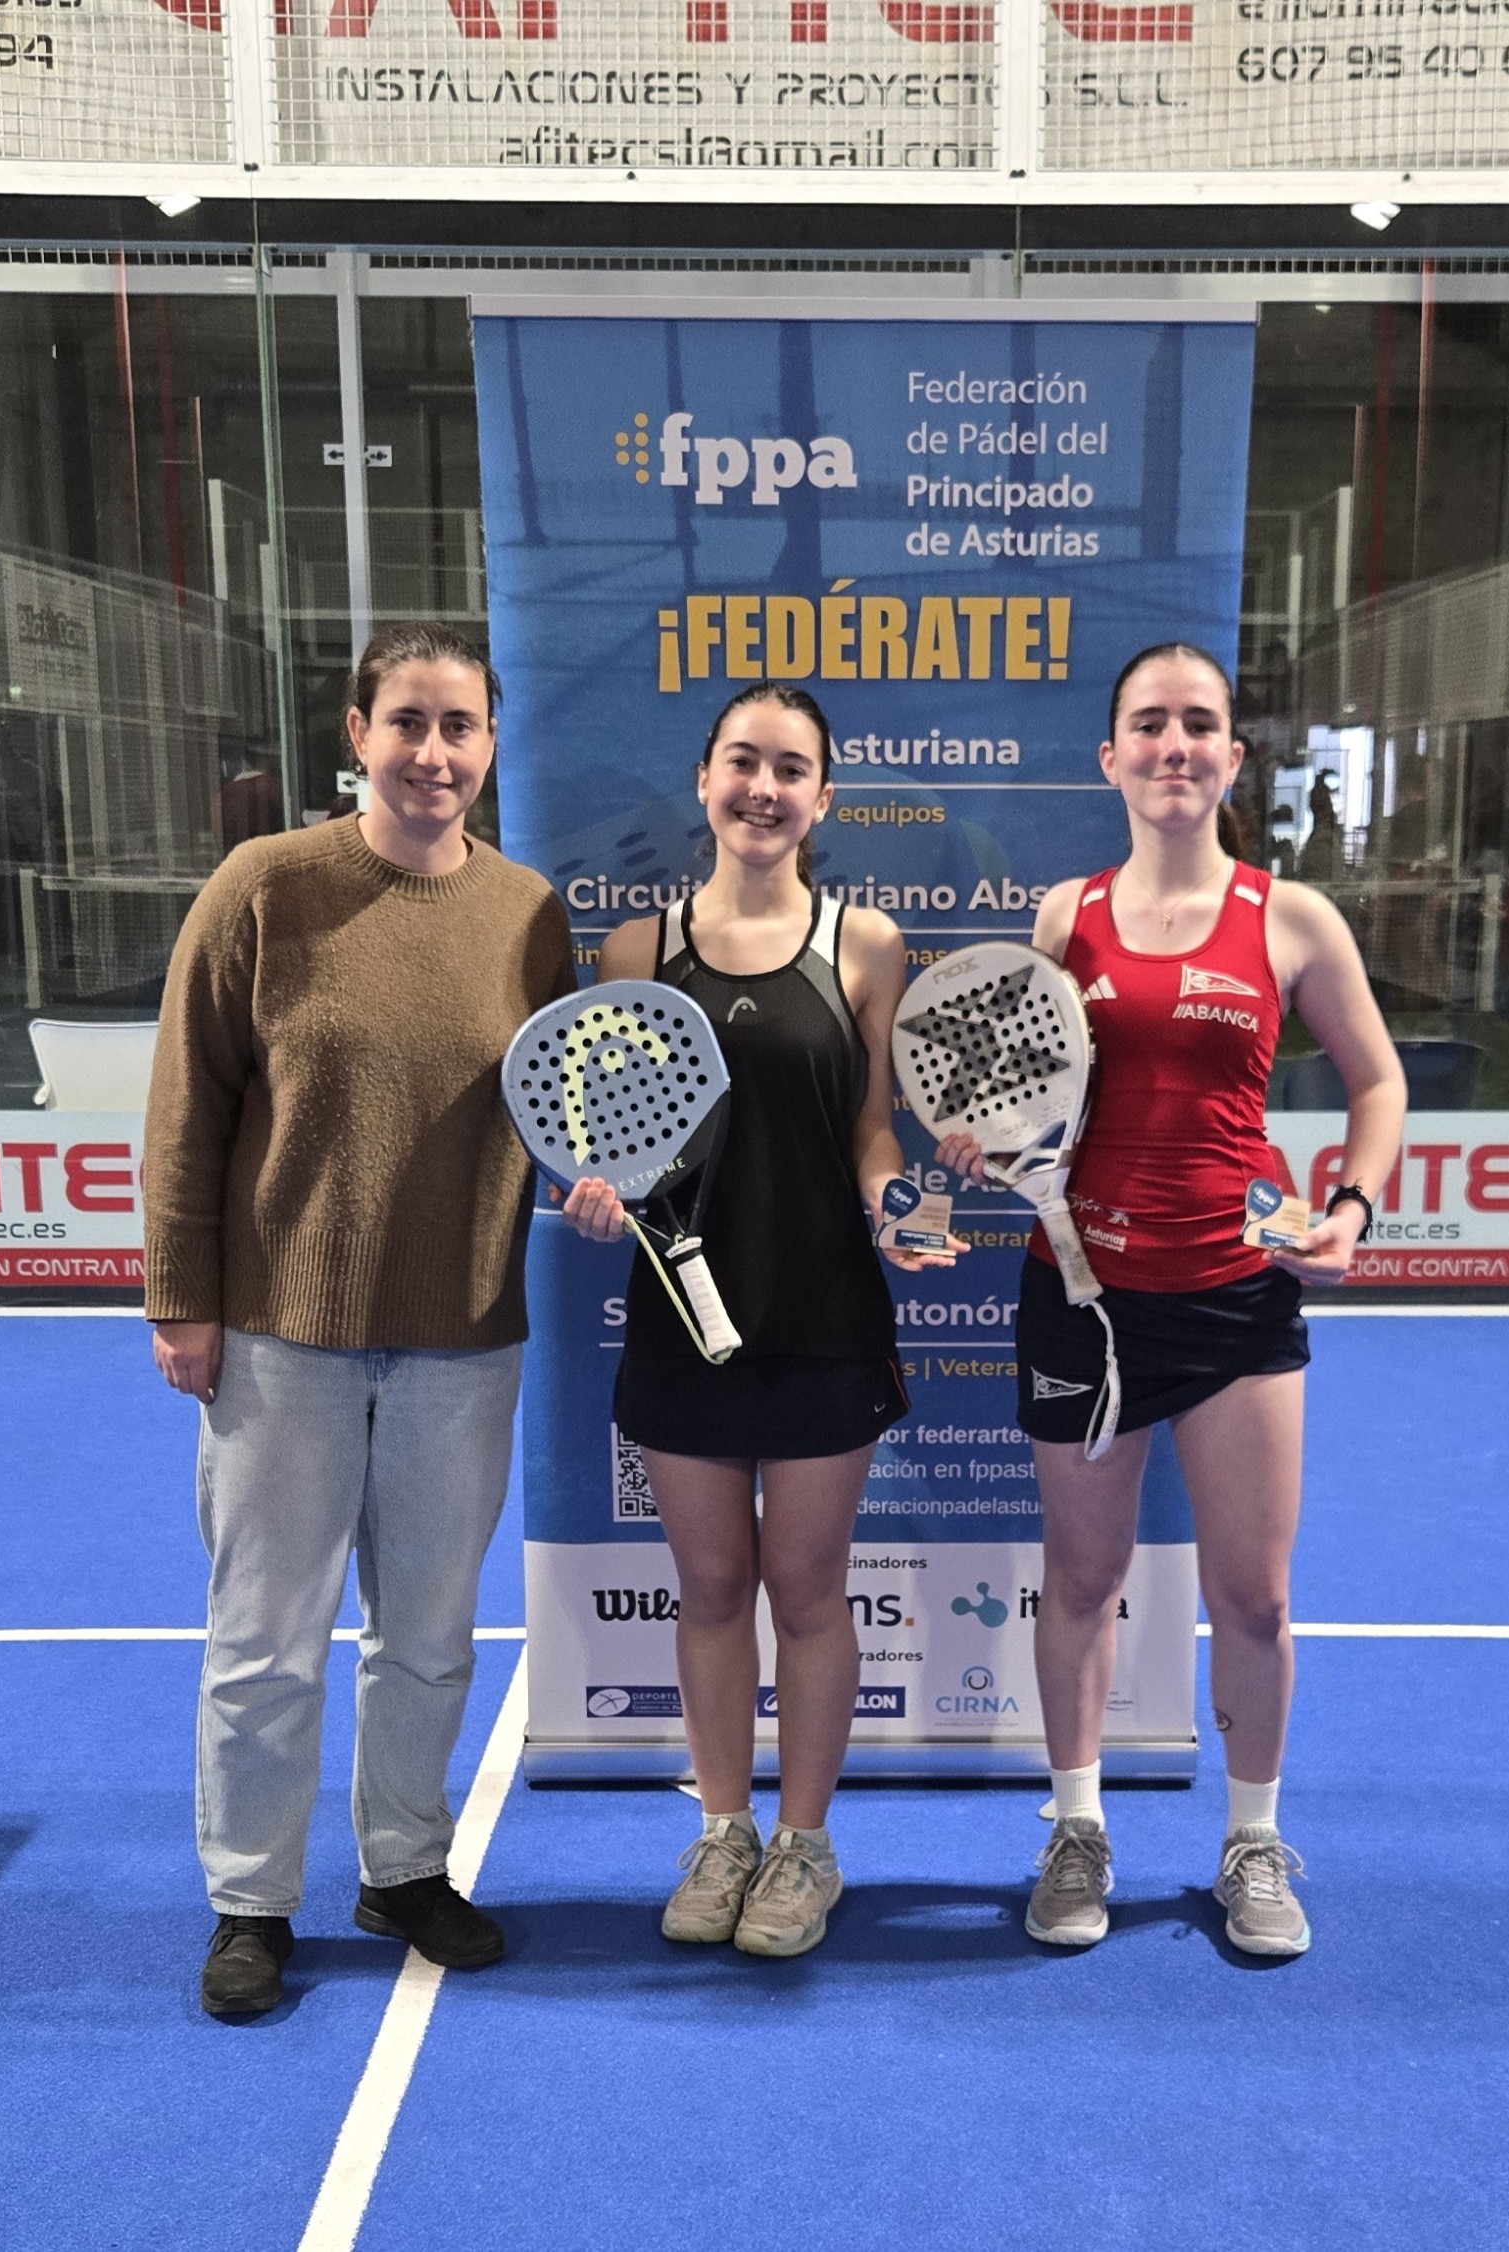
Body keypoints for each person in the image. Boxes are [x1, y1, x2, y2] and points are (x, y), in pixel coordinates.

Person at [939, 642, 1406, 1956]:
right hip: (1081, 1299)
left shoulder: (1290, 917)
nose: (1174, 745)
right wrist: (981, 1139)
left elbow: (1378, 1082)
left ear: (1232, 758)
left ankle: (1251, 1841)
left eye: (1199, 724)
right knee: (1082, 1579)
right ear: (1111, 757)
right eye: (1149, 723)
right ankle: (1076, 1828)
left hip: (1236, 1304)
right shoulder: (1061, 917)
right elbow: (1012, 1100)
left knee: (1253, 1597)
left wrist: (1352, 1205)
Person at [144, 622, 574, 2020]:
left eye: (459, 727)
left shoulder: (528, 914)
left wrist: (596, 1179)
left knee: (431, 1637)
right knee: (266, 1642)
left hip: (465, 1336)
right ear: (356, 733)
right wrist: (181, 1298)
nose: (432, 753)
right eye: (408, 722)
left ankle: (404, 1868)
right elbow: (188, 1107)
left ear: (491, 744)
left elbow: (564, 1104)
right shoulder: (264, 887)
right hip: (281, 1335)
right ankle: (251, 1901)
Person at [560, 681, 953, 1960]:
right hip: (681, 1322)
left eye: (790, 768)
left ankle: (804, 1845)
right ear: (704, 778)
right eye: (743, 761)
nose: (763, 788)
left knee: (807, 1590)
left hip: (825, 1313)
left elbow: (871, 1126)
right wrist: (598, 1190)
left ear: (823, 797)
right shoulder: (633, 951)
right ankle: (722, 1829)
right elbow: (617, 1139)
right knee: (714, 1585)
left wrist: (893, 1202)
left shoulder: (866, 943)